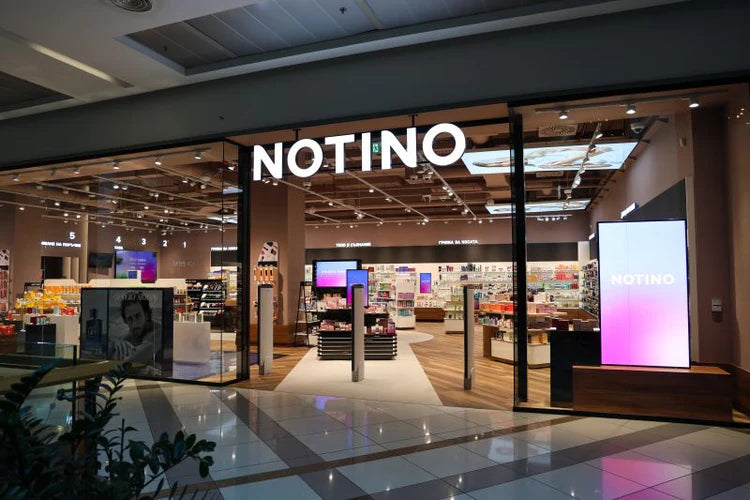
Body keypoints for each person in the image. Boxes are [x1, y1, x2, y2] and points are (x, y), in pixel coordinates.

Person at [109, 292, 163, 375]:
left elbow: (128, 362)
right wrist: (115, 342)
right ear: (125, 321)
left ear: (146, 315)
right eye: (130, 319)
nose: (135, 324)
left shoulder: (158, 332)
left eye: (138, 316)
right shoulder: (125, 339)